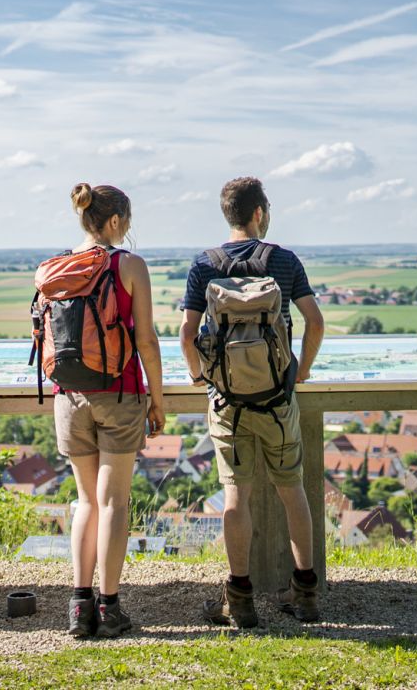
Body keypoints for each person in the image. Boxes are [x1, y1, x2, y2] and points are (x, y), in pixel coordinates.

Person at [179, 176, 326, 627]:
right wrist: (299, 371)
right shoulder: (283, 261)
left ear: (229, 215)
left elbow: (186, 335)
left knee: (234, 495)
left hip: (227, 403)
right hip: (277, 402)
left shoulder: (205, 266)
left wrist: (200, 375)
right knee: (292, 490)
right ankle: (303, 594)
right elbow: (314, 323)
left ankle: (239, 599)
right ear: (259, 213)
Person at [52, 183, 165, 638]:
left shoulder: (58, 265)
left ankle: (80, 607)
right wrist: (158, 399)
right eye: (128, 220)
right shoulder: (129, 265)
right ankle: (110, 605)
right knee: (114, 500)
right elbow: (147, 342)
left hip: (69, 397)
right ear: (115, 221)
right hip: (119, 394)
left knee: (85, 501)